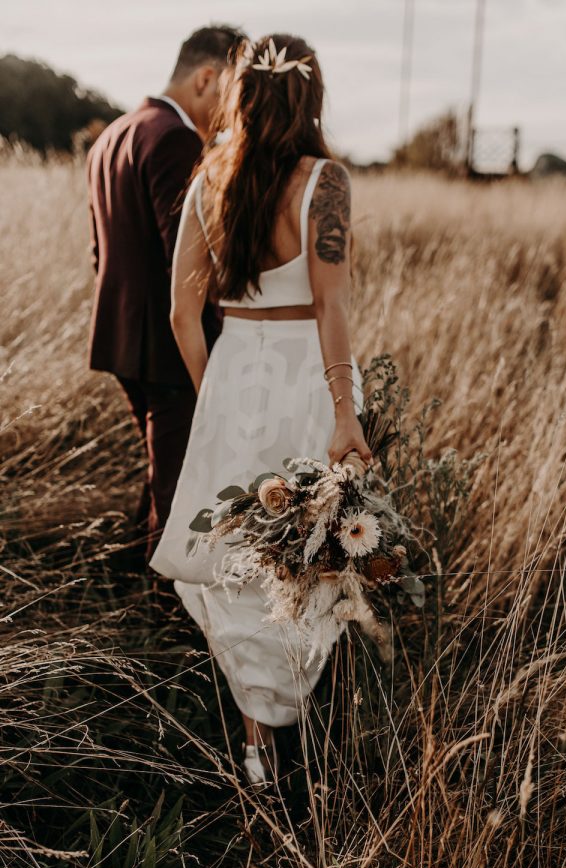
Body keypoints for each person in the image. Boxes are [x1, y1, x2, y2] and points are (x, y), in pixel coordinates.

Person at [149, 34, 373, 787]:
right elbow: (332, 306)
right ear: (310, 97)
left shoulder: (209, 178)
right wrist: (346, 416)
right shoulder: (326, 181)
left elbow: (183, 314)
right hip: (307, 378)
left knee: (239, 563)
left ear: (242, 93)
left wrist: (218, 394)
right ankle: (299, 737)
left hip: (235, 378)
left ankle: (256, 748)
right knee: (309, 556)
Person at [86, 25, 245, 563]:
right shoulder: (176, 140)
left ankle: (127, 568)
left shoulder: (114, 133)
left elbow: (98, 250)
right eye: (233, 89)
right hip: (167, 343)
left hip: (119, 336)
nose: (233, 110)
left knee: (163, 463)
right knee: (177, 482)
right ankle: (164, 613)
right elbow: (190, 264)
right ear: (207, 78)